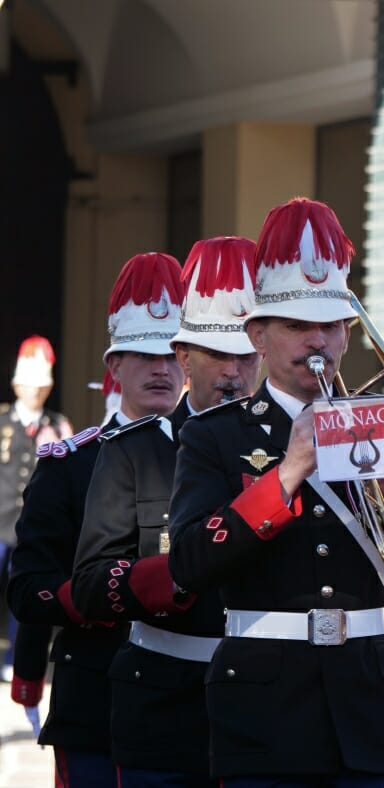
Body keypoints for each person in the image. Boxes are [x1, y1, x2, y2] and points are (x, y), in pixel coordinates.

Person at [166, 197, 384, 786]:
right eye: (296, 325)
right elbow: (188, 562)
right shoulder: (216, 435)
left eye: (331, 325)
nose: (318, 340)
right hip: (263, 709)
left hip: (367, 703)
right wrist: (286, 475)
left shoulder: (383, 424)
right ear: (258, 334)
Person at [71, 237, 260, 787]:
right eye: (217, 355)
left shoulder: (292, 450)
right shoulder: (131, 451)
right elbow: (88, 584)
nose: (233, 373)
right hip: (166, 707)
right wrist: (180, 574)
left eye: (245, 356)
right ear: (185, 358)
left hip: (267, 706)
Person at [7, 252, 186, 787]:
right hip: (98, 699)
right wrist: (95, 595)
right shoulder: (70, 463)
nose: (161, 368)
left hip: (189, 706)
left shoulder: (214, 454)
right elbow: (28, 589)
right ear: (114, 366)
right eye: (143, 355)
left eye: (173, 354)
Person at [0, 335, 74, 679]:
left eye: (41, 387)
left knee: (25, 597)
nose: (35, 392)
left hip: (31, 528)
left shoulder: (57, 425)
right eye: (30, 386)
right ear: (16, 384)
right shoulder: (2, 423)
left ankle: (17, 660)